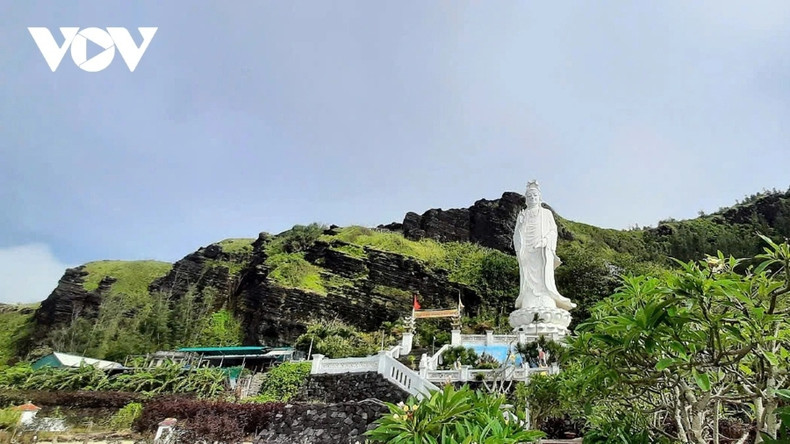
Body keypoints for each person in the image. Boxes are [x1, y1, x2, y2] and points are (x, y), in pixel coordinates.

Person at [513, 181, 576, 311]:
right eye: (529, 197)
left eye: (535, 196)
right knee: (528, 274)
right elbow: (516, 235)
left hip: (542, 248)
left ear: (539, 198)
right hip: (527, 249)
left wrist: (546, 241)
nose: (532, 199)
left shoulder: (546, 213)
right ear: (525, 200)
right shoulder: (522, 214)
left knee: (543, 274)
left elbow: (553, 230)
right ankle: (529, 299)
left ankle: (546, 298)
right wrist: (519, 225)